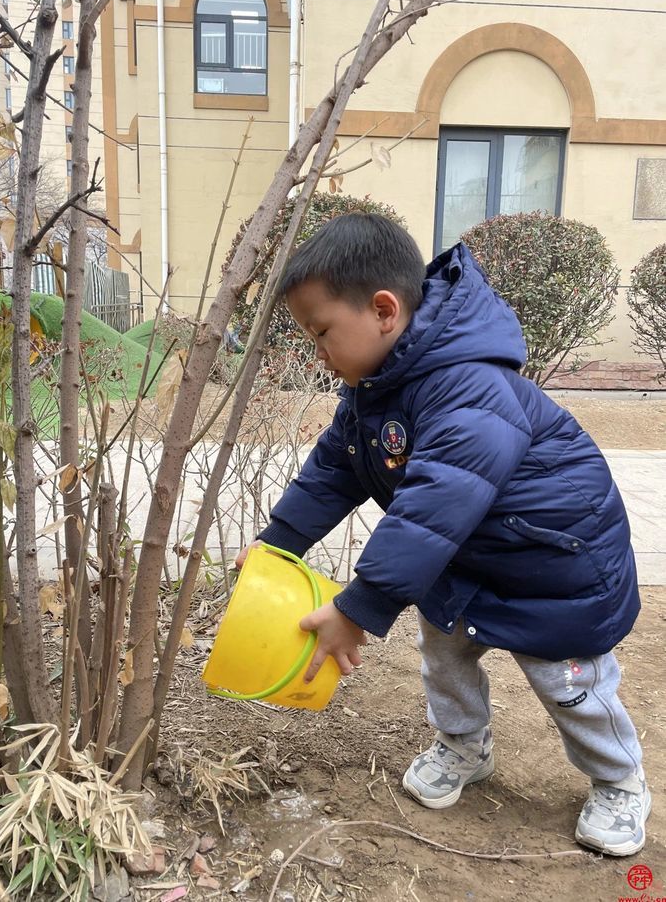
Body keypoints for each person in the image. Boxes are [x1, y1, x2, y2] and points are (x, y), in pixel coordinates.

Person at [235, 213, 650, 857]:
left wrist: (361, 608)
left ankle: (619, 779)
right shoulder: (376, 389)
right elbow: (335, 470)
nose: (316, 352)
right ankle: (463, 746)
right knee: (446, 655)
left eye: (321, 333)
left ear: (383, 310)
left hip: (554, 564)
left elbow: (435, 505)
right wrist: (280, 542)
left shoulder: (470, 387)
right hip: (468, 558)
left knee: (571, 687)